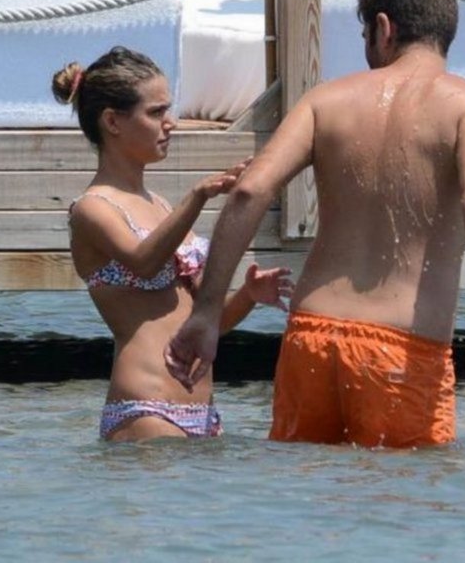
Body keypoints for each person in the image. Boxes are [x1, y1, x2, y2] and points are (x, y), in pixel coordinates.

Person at [164, 0, 465, 449]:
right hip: (403, 348)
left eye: (363, 37)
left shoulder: (324, 100)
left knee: (307, 490)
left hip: (311, 336)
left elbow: (249, 189)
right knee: (407, 493)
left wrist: (207, 312)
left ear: (383, 28)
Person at [53, 46, 293, 442]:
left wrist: (249, 295)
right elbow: (143, 262)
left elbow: (209, 321)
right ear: (112, 121)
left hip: (204, 414)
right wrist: (198, 196)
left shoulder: (161, 206)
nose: (172, 122)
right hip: (145, 410)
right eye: (156, 112)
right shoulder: (92, 208)